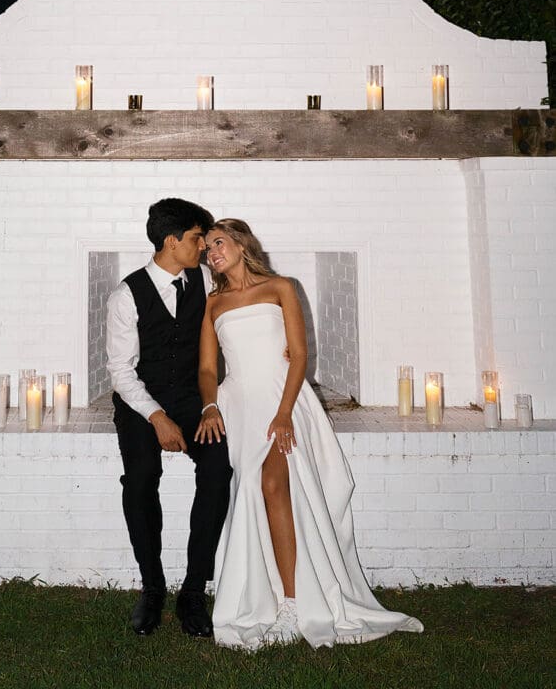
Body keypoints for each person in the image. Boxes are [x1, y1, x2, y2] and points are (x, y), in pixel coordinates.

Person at [196, 218, 424, 650]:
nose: (212, 253)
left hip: (284, 402)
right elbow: (208, 368)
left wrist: (283, 415)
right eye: (207, 248)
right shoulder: (213, 304)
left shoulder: (282, 287)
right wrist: (210, 405)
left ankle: (293, 604)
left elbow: (298, 356)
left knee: (272, 484)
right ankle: (265, 597)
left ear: (242, 245)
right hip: (240, 407)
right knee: (254, 494)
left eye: (218, 243)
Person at [106, 198, 232, 637]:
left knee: (218, 471)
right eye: (197, 238)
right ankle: (153, 587)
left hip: (194, 399)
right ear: (171, 240)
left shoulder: (204, 279)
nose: (203, 247)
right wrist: (157, 417)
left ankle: (193, 592)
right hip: (142, 400)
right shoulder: (126, 294)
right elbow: (121, 373)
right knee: (140, 478)